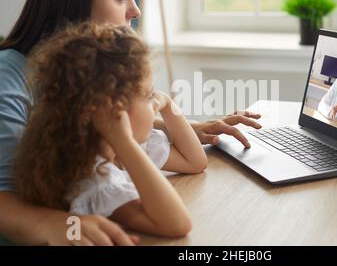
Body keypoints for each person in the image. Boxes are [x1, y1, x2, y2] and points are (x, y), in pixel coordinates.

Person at [0, 0, 261, 245]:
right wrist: (56, 224)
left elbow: (111, 123)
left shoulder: (98, 73)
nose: (136, 11)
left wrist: (181, 127)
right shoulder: (8, 77)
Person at [15, 22, 206, 243]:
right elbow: (178, 224)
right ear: (115, 112)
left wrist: (168, 103)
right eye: (148, 95)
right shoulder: (94, 181)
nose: (155, 102)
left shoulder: (131, 149)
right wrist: (124, 141)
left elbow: (195, 161)